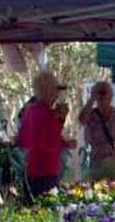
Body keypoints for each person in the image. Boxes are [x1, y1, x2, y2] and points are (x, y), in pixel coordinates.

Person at [17, 71, 77, 199]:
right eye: (56, 90)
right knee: (43, 209)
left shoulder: (32, 110)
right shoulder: (43, 113)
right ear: (47, 90)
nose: (57, 95)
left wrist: (60, 119)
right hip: (43, 171)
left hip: (36, 170)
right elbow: (48, 143)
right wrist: (67, 144)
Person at [77, 80, 115, 173]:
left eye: (104, 92)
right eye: (99, 92)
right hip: (95, 162)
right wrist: (92, 98)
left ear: (111, 95)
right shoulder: (91, 115)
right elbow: (81, 120)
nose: (101, 96)